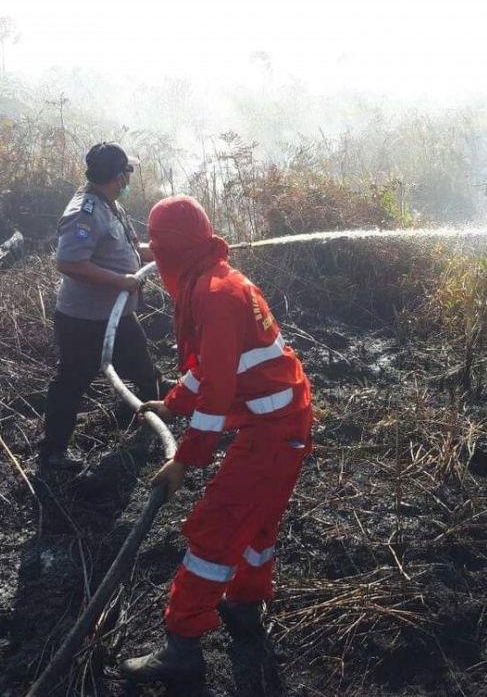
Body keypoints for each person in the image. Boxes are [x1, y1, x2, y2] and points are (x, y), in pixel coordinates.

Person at [119, 195, 312, 684]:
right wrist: (173, 403)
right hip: (280, 423)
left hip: (273, 431)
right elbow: (209, 367)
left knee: (214, 531)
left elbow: (220, 388)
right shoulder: (215, 279)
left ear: (171, 252)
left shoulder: (213, 294)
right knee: (258, 522)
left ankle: (182, 646)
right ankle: (245, 609)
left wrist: (185, 460)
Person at [38, 142, 160, 470]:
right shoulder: (85, 211)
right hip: (83, 321)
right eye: (126, 173)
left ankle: (154, 407)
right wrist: (121, 282)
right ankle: (54, 452)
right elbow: (70, 263)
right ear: (119, 176)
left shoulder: (110, 205)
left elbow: (133, 248)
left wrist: (170, 250)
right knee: (72, 381)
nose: (128, 180)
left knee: (141, 361)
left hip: (117, 316)